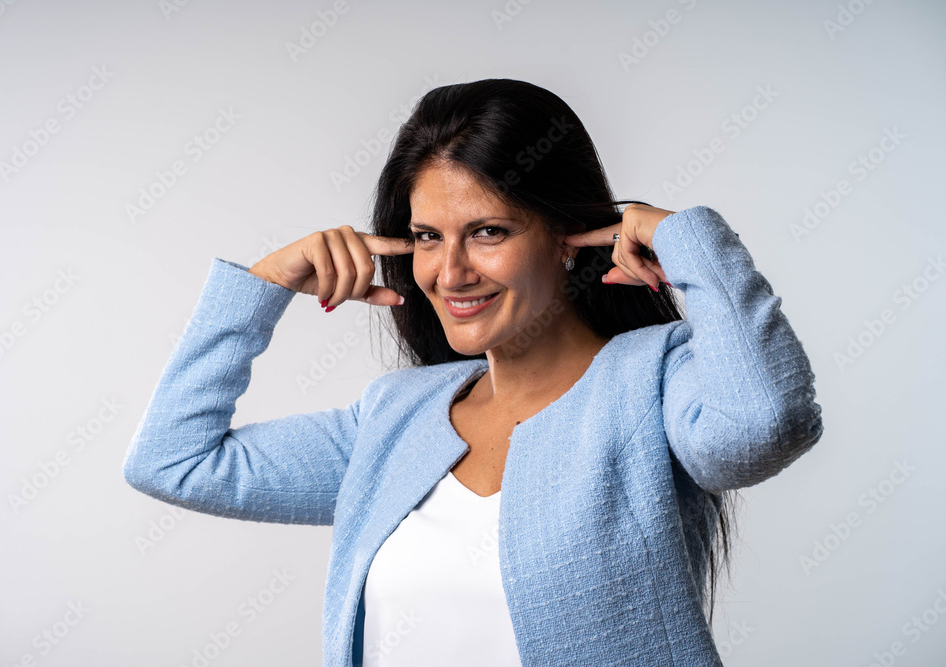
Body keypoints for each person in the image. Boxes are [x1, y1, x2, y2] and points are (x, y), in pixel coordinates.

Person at [122, 78, 824, 666]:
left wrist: (686, 238)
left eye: (488, 231)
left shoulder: (657, 379)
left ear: (568, 239)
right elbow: (173, 461)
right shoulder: (394, 415)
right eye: (428, 236)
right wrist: (264, 285)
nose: (450, 272)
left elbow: (764, 427)